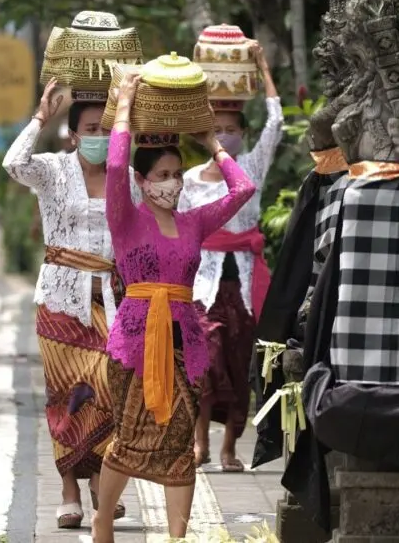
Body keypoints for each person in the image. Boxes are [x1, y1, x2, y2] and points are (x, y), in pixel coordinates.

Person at [92, 72, 257, 541]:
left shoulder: (193, 222)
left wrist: (213, 145)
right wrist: (123, 105)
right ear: (141, 181)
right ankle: (104, 519)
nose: (172, 183)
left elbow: (243, 191)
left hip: (186, 342)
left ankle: (177, 535)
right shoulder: (124, 218)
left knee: (181, 444)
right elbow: (115, 164)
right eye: (161, 176)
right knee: (129, 437)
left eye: (176, 174)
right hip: (134, 344)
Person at [2, 78, 141, 530]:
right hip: (60, 300)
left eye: (106, 128)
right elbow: (13, 162)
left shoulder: (125, 176)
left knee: (106, 387)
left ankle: (101, 476)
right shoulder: (53, 170)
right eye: (90, 129)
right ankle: (68, 489)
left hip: (111, 301)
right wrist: (42, 115)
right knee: (65, 397)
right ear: (74, 133)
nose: (99, 137)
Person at [177, 40, 283, 472]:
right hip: (202, 286)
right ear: (207, 136)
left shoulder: (252, 169)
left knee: (240, 367)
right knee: (204, 363)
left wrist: (261, 65)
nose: (226, 135)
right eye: (216, 129)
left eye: (232, 128)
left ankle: (229, 448)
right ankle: (200, 442)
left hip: (241, 285)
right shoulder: (187, 180)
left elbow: (276, 123)